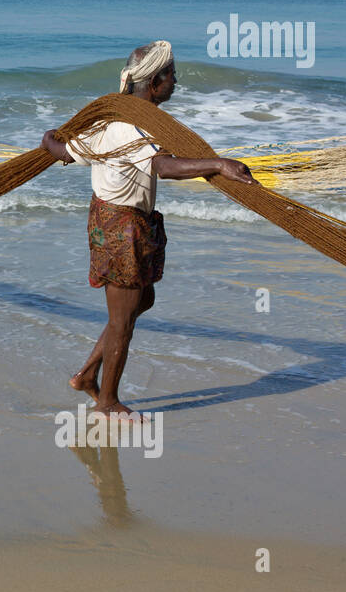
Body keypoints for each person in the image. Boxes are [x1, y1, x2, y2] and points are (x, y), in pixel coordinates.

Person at [39, 40, 257, 421]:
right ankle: (106, 401)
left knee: (142, 302)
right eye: (172, 74)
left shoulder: (113, 117)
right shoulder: (129, 126)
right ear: (154, 82)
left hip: (122, 221)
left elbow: (65, 153)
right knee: (122, 320)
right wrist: (218, 165)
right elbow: (163, 167)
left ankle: (87, 376)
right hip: (122, 227)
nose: (177, 80)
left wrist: (48, 140)